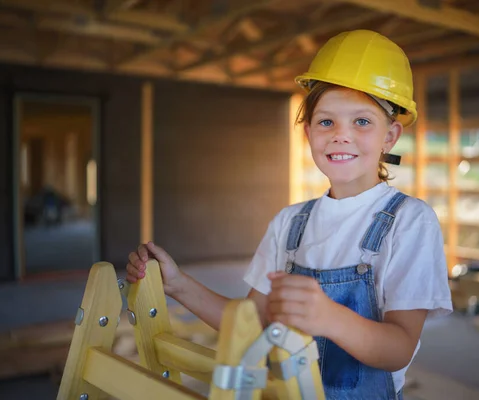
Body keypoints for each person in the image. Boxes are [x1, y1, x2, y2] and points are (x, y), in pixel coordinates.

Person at [126, 29, 453, 399]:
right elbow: (250, 324)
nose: (340, 136)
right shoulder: (289, 224)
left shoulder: (410, 222)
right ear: (309, 132)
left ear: (390, 136)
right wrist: (177, 284)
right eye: (326, 121)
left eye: (362, 121)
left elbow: (399, 348)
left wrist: (329, 317)